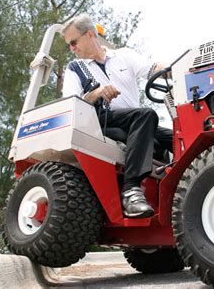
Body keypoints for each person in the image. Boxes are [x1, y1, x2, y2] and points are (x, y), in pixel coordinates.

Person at [61, 14, 171, 218]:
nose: (72, 48)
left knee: (178, 139)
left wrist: (176, 69)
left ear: (90, 34)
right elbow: (71, 103)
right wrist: (97, 92)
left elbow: (152, 70)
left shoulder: (124, 56)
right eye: (69, 45)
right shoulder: (75, 69)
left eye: (73, 42)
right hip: (99, 120)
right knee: (145, 115)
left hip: (136, 123)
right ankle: (131, 190)